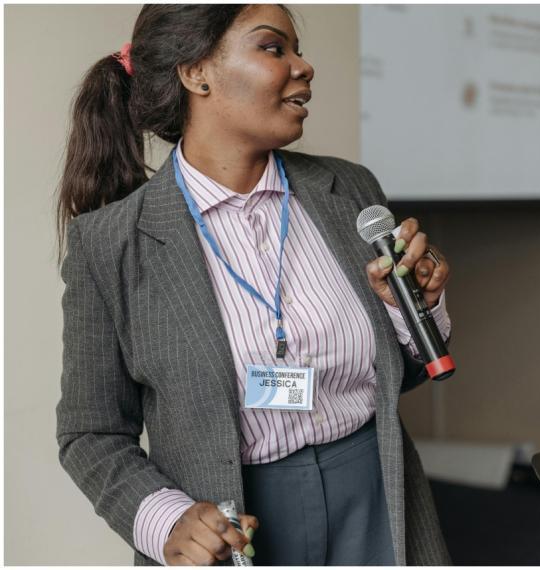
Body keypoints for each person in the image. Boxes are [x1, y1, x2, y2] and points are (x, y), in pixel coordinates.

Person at [55, 4, 452, 566]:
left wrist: (415, 309)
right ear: (196, 73)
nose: (304, 66)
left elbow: (403, 374)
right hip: (234, 525)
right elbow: (91, 435)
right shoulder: (109, 245)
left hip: (379, 492)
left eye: (297, 49)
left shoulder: (350, 189)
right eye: (274, 48)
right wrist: (168, 521)